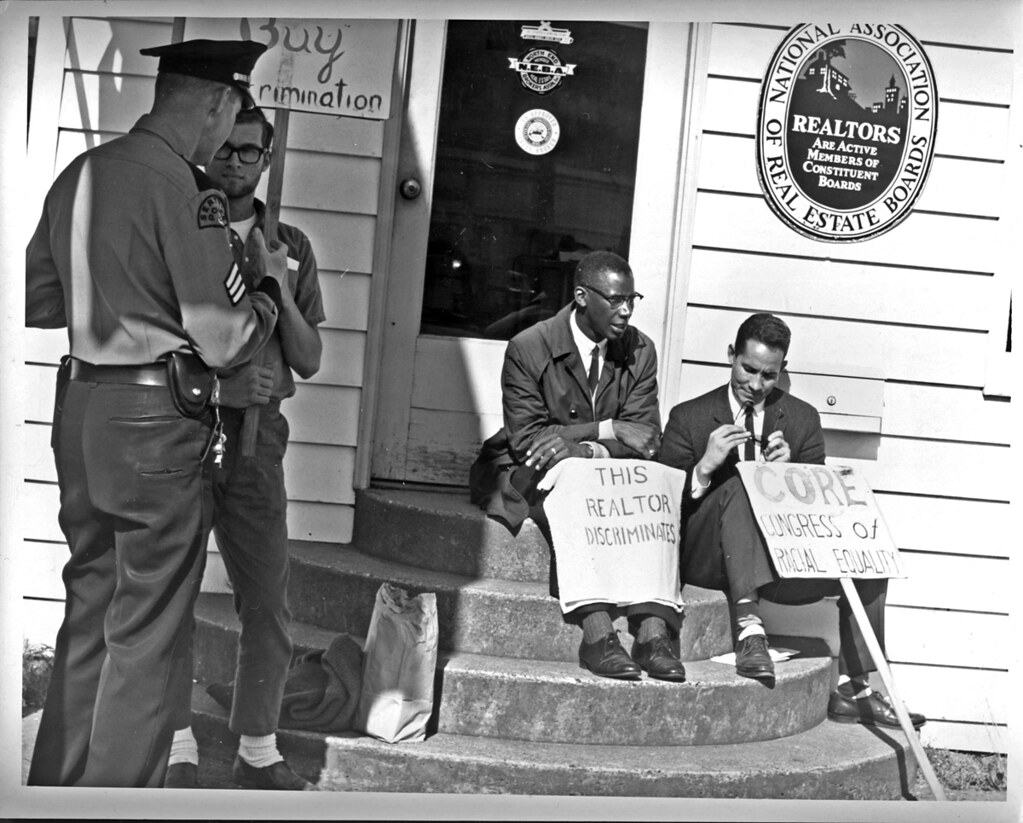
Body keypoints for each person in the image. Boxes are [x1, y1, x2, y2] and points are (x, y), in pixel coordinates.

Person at [24, 39, 287, 788]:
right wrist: (265, 295)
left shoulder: (84, 171)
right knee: (145, 638)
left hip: (81, 409)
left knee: (88, 619)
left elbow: (39, 298)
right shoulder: (188, 191)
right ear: (216, 102)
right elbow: (227, 337)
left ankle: (54, 790)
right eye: (230, 113)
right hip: (155, 424)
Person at [657, 313, 925, 728]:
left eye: (769, 374)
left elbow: (815, 516)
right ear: (731, 356)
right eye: (748, 369)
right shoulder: (689, 417)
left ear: (781, 370)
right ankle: (749, 633)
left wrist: (789, 477)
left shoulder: (801, 419)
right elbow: (661, 509)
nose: (756, 384)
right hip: (708, 561)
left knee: (870, 561)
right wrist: (705, 468)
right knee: (739, 483)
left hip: (779, 564)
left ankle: (856, 689)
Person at [165, 106, 325, 791]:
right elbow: (163, 335)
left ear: (267, 160)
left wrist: (280, 288)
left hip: (258, 441)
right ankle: (174, 740)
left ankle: (257, 746)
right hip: (183, 431)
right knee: (172, 589)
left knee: (265, 596)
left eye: (249, 152)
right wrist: (227, 382)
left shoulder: (286, 239)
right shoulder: (181, 227)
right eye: (225, 149)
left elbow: (310, 357)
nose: (235, 162)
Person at [469, 251, 686, 682]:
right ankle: (598, 634)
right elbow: (531, 440)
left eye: (632, 299)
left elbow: (644, 437)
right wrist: (608, 428)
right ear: (582, 296)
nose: (626, 311)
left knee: (658, 482)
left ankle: (653, 632)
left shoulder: (640, 350)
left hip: (596, 465)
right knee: (572, 483)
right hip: (530, 464)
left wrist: (591, 450)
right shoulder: (529, 347)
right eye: (615, 299)